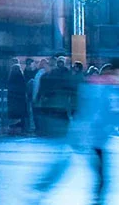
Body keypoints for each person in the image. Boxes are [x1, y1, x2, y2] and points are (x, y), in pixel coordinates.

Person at [74, 59, 119, 205]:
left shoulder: (97, 85)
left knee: (101, 174)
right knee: (103, 175)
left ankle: (98, 199)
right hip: (96, 136)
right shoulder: (108, 86)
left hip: (96, 136)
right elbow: (107, 111)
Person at [28, 56, 81, 201]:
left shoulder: (48, 76)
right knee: (61, 154)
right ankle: (43, 184)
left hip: (51, 113)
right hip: (61, 114)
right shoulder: (66, 76)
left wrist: (39, 103)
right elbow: (73, 93)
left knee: (58, 152)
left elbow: (41, 93)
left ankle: (42, 184)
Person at [6, 57, 30, 134]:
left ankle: (15, 129)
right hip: (20, 99)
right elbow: (24, 87)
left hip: (14, 100)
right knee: (20, 115)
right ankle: (21, 129)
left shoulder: (11, 76)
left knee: (14, 115)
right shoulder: (21, 76)